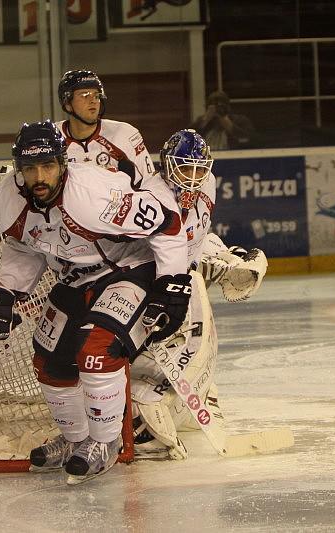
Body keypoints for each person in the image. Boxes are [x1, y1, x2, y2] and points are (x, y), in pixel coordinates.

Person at [0, 120, 190, 484]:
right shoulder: (6, 199)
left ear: (63, 163)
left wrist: (172, 284)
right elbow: (25, 247)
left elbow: (168, 223)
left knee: (97, 350)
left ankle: (106, 443)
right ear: (18, 169)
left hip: (130, 267)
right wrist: (9, 290)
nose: (39, 177)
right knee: (48, 359)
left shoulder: (94, 196)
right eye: (30, 168)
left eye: (48, 165)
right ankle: (76, 439)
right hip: (76, 277)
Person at [128, 129, 268, 459]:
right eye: (185, 168)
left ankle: (185, 397)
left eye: (198, 168)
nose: (193, 176)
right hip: (145, 280)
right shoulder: (152, 195)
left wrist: (224, 254)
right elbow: (154, 249)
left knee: (191, 341)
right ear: (167, 165)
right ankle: (137, 411)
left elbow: (195, 236)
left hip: (181, 279)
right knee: (144, 348)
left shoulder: (208, 183)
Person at [56, 69, 155, 186]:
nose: (93, 101)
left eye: (96, 95)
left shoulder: (123, 134)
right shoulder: (52, 138)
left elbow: (151, 184)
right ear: (67, 104)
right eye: (84, 95)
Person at [190, 90, 255, 150]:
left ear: (228, 107)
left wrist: (226, 121)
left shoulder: (239, 120)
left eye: (220, 106)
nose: (217, 110)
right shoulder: (203, 122)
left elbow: (247, 139)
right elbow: (187, 139)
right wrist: (205, 120)